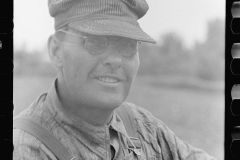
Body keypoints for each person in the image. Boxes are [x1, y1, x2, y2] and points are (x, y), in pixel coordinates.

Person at [13, 0, 217, 159]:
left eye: (127, 44)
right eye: (95, 41)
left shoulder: (139, 125)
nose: (115, 60)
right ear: (56, 51)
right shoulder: (25, 148)